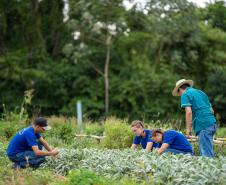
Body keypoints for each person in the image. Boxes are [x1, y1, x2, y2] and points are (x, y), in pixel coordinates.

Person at [172, 79, 217, 157]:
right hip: (212, 123)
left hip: (203, 125)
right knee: (206, 152)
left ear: (179, 89)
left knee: (207, 157)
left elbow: (189, 112)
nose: (179, 95)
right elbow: (212, 111)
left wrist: (188, 130)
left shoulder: (185, 94)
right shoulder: (201, 93)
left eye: (178, 93)